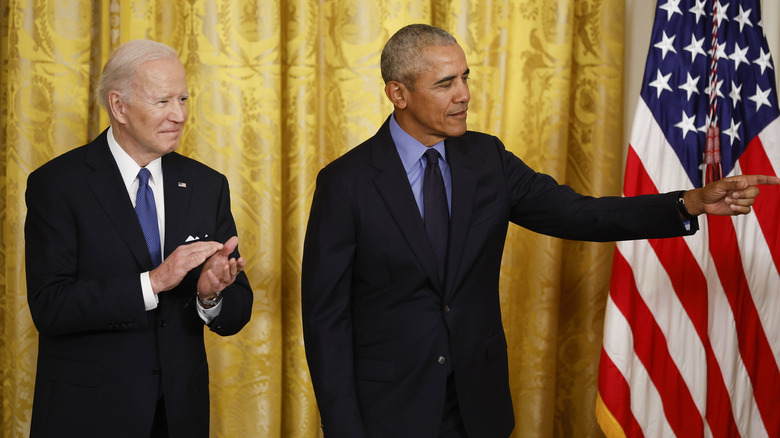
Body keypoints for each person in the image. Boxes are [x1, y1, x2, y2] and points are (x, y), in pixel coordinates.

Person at [300, 24, 779, 438]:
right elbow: (326, 322)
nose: (464, 94)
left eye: (465, 77)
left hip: (478, 410)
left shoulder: (487, 160)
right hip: (388, 415)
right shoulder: (345, 183)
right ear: (398, 93)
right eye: (445, 84)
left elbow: (579, 214)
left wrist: (687, 202)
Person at [24, 39, 253, 438]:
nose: (179, 115)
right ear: (119, 106)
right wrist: (153, 282)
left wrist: (210, 295)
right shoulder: (57, 185)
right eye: (163, 101)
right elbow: (50, 307)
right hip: (88, 416)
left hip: (179, 416)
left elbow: (236, 312)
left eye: (183, 99)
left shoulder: (206, 185)